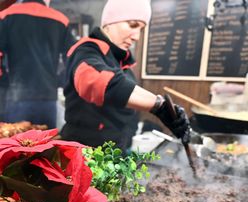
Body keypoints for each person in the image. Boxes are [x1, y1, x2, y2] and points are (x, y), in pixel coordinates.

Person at [61, 0, 191, 152]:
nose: (136, 36)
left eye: (141, 29)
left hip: (116, 156)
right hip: (82, 157)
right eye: (132, 25)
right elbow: (96, 82)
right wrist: (159, 106)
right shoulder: (86, 51)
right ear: (109, 22)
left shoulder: (124, 64)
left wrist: (167, 109)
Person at [0, 0, 75, 128]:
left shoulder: (6, 15)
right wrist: (59, 81)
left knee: (14, 144)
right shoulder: (61, 20)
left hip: (15, 98)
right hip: (47, 99)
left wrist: (4, 81)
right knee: (46, 144)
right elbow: (73, 58)